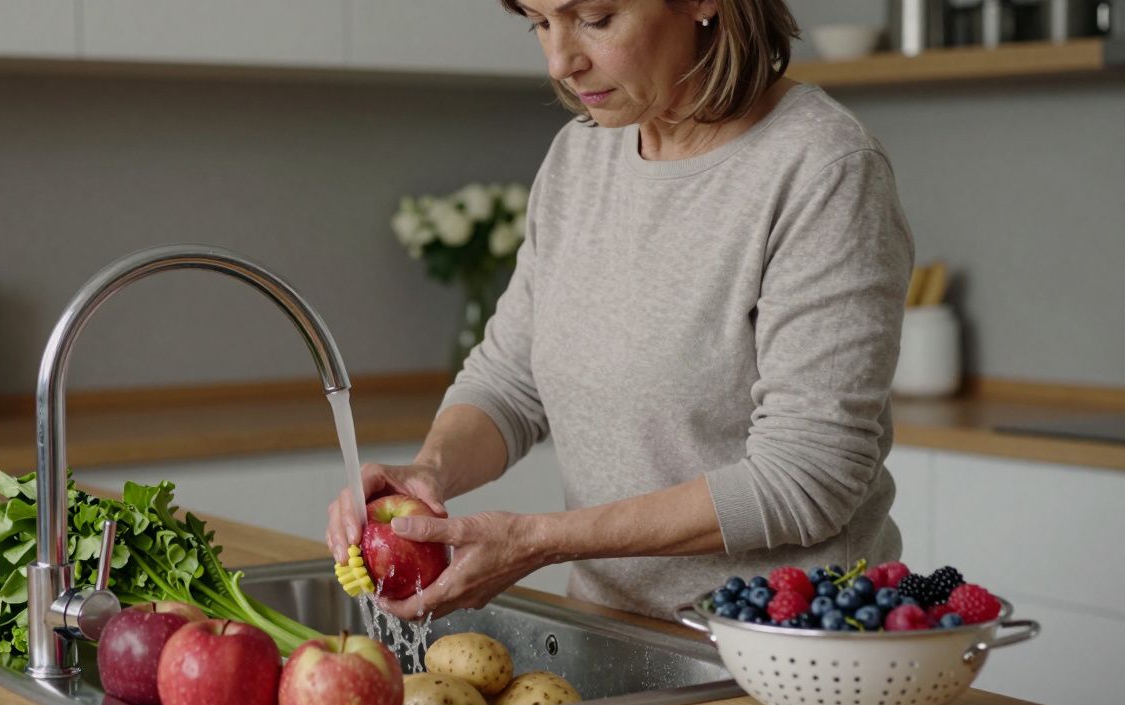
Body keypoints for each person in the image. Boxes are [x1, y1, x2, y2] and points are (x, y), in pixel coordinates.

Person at [327, 0, 913, 622]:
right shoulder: (580, 158)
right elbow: (511, 381)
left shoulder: (823, 168)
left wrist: (541, 540)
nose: (560, 62)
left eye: (597, 19)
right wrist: (429, 472)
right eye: (540, 23)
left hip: (787, 647)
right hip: (615, 631)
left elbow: (807, 476)